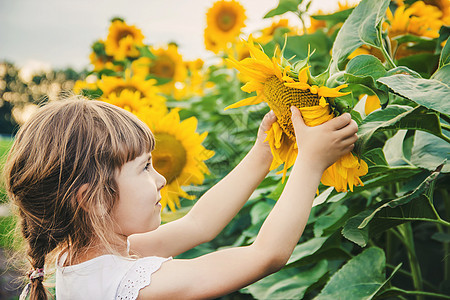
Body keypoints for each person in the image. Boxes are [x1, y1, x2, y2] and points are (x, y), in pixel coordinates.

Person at [4, 95, 358, 299]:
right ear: (92, 200)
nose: (160, 179)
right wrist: (311, 162)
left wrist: (263, 153)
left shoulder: (80, 258)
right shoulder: (135, 286)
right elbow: (266, 256)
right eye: (144, 168)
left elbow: (199, 224)